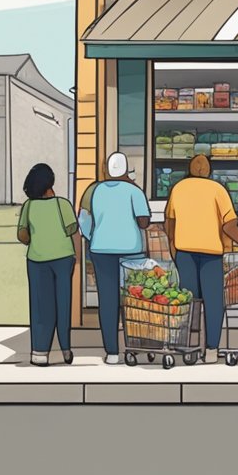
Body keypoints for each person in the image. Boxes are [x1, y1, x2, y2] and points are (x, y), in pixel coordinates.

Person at [164, 155, 238, 363]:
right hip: (212, 254)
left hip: (184, 252)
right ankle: (211, 350)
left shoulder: (178, 189)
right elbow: (229, 226)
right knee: (214, 301)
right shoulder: (218, 190)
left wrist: (173, 247)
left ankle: (185, 345)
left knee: (188, 301)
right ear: (209, 170)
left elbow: (169, 222)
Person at [78, 152, 150, 364]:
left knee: (108, 301)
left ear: (106, 170)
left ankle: (112, 352)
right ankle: (134, 344)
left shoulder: (94, 190)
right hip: (131, 250)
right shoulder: (134, 191)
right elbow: (144, 222)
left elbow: (83, 219)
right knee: (134, 298)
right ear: (126, 170)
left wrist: (93, 236)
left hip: (102, 250)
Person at [17, 163, 78, 367]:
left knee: (41, 306)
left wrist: (34, 238)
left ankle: (39, 352)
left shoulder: (29, 206)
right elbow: (73, 232)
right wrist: (76, 256)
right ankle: (66, 349)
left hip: (36, 259)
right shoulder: (62, 204)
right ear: (50, 183)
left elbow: (22, 234)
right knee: (63, 303)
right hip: (63, 258)